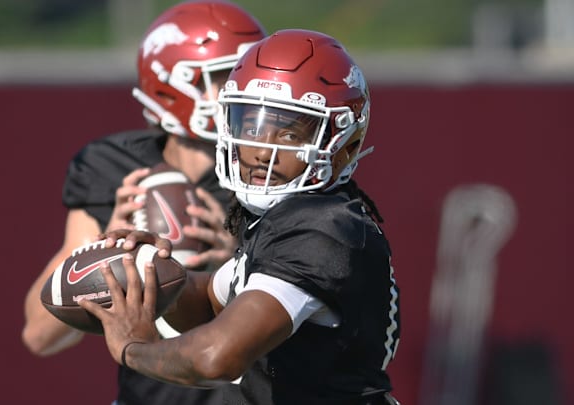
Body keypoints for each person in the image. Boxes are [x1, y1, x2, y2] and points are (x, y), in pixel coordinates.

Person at [78, 29, 402, 405]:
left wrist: (131, 348)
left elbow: (216, 357)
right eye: (252, 126)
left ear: (342, 145)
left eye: (291, 133)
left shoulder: (324, 229)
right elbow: (209, 301)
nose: (264, 150)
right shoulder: (283, 218)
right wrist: (149, 269)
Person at [21, 1, 266, 404]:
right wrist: (102, 244)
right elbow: (39, 334)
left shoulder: (271, 171)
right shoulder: (114, 168)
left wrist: (237, 264)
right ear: (170, 82)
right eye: (226, 76)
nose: (243, 91)